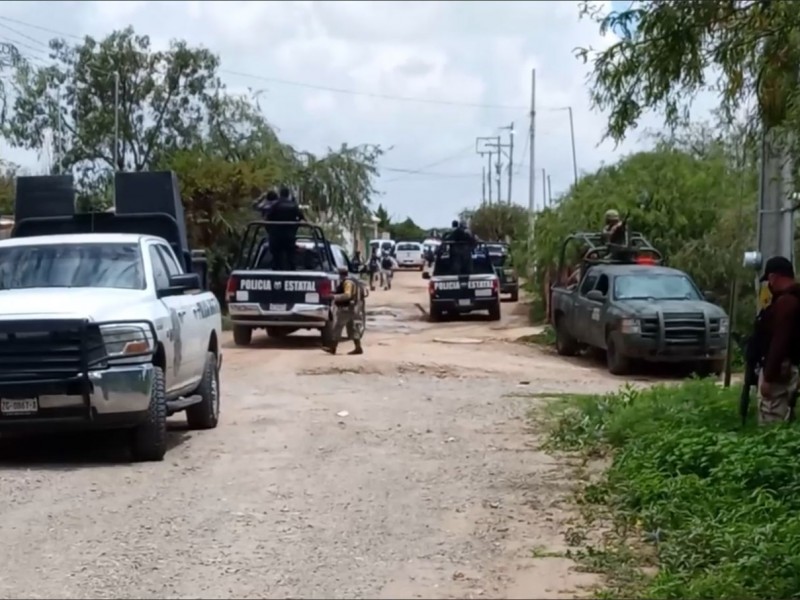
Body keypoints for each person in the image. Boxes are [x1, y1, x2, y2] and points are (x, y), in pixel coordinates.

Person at [757, 255, 800, 423]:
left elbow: (779, 341)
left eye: (769, 280)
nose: (769, 285)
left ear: (774, 277)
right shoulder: (794, 299)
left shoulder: (786, 303)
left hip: (779, 371)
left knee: (771, 417)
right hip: (790, 367)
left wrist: (768, 377)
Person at [324, 266, 364, 355]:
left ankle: (332, 347)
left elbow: (347, 295)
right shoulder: (352, 280)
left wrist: (334, 297)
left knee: (337, 327)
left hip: (346, 308)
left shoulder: (347, 282)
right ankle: (358, 347)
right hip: (353, 307)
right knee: (352, 328)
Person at [265, 186, 304, 271]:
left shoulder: (275, 205)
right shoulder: (293, 205)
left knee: (276, 259)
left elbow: (267, 219)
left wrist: (270, 231)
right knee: (291, 258)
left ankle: (276, 272)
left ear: (280, 194)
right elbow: (301, 217)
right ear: (288, 194)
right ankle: (292, 273)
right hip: (289, 236)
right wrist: (295, 228)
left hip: (276, 236)